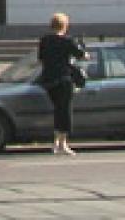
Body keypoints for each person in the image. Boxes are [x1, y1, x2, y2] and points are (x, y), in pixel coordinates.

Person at [36, 11, 88, 156]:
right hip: (64, 80)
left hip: (48, 81)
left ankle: (56, 143)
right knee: (64, 111)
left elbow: (40, 59)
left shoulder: (44, 41)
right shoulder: (67, 41)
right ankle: (62, 144)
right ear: (64, 26)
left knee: (58, 110)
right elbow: (82, 55)